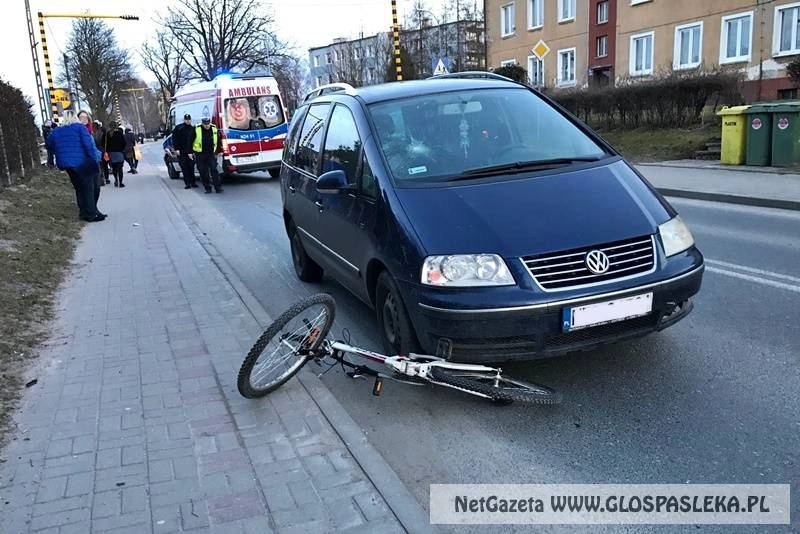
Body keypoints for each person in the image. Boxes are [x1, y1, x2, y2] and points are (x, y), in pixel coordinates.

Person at [45, 111, 105, 222]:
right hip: (81, 162)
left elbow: (48, 144)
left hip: (66, 164)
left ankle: (83, 213)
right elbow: (87, 144)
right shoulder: (79, 128)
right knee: (88, 188)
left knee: (79, 188)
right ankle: (91, 214)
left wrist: (59, 151)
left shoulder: (57, 131)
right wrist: (93, 158)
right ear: (75, 118)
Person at [191, 117, 223, 193]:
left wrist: (220, 150)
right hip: (200, 154)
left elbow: (218, 140)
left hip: (210, 153)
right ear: (202, 123)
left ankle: (218, 187)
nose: (207, 126)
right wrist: (190, 152)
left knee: (214, 169)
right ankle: (207, 188)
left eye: (208, 124)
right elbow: (190, 140)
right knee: (203, 171)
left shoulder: (214, 128)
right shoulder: (196, 128)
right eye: (205, 124)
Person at [171, 113, 197, 189]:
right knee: (184, 167)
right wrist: (176, 149)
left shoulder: (193, 128)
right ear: (184, 120)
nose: (188, 121)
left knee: (191, 167)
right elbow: (174, 139)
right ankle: (187, 183)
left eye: (189, 119)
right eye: (186, 119)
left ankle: (193, 182)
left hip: (190, 151)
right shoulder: (179, 128)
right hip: (181, 151)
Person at [103, 122, 127, 187]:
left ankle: (116, 180)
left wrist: (107, 151)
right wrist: (122, 149)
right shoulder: (119, 133)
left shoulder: (108, 134)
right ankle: (120, 182)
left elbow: (106, 144)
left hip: (111, 153)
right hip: (119, 152)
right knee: (120, 169)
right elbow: (124, 142)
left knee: (114, 168)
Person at [92, 120, 111, 185]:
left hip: (96, 151)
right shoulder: (102, 132)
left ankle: (102, 179)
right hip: (102, 150)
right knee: (104, 165)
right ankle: (106, 178)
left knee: (100, 166)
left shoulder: (91, 134)